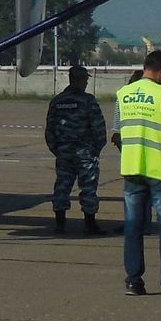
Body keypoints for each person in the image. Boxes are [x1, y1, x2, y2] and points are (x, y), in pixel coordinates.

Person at [117, 50, 161, 297]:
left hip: (132, 168)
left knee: (133, 226)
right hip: (159, 169)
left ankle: (133, 282)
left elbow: (118, 131)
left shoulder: (123, 94)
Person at [43, 63, 108, 234]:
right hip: (85, 152)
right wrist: (97, 148)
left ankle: (60, 223)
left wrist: (56, 149)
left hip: (64, 152)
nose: (86, 83)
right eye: (85, 80)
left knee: (62, 186)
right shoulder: (87, 101)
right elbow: (99, 127)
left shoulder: (57, 101)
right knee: (88, 187)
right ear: (81, 80)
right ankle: (90, 224)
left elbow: (49, 129)